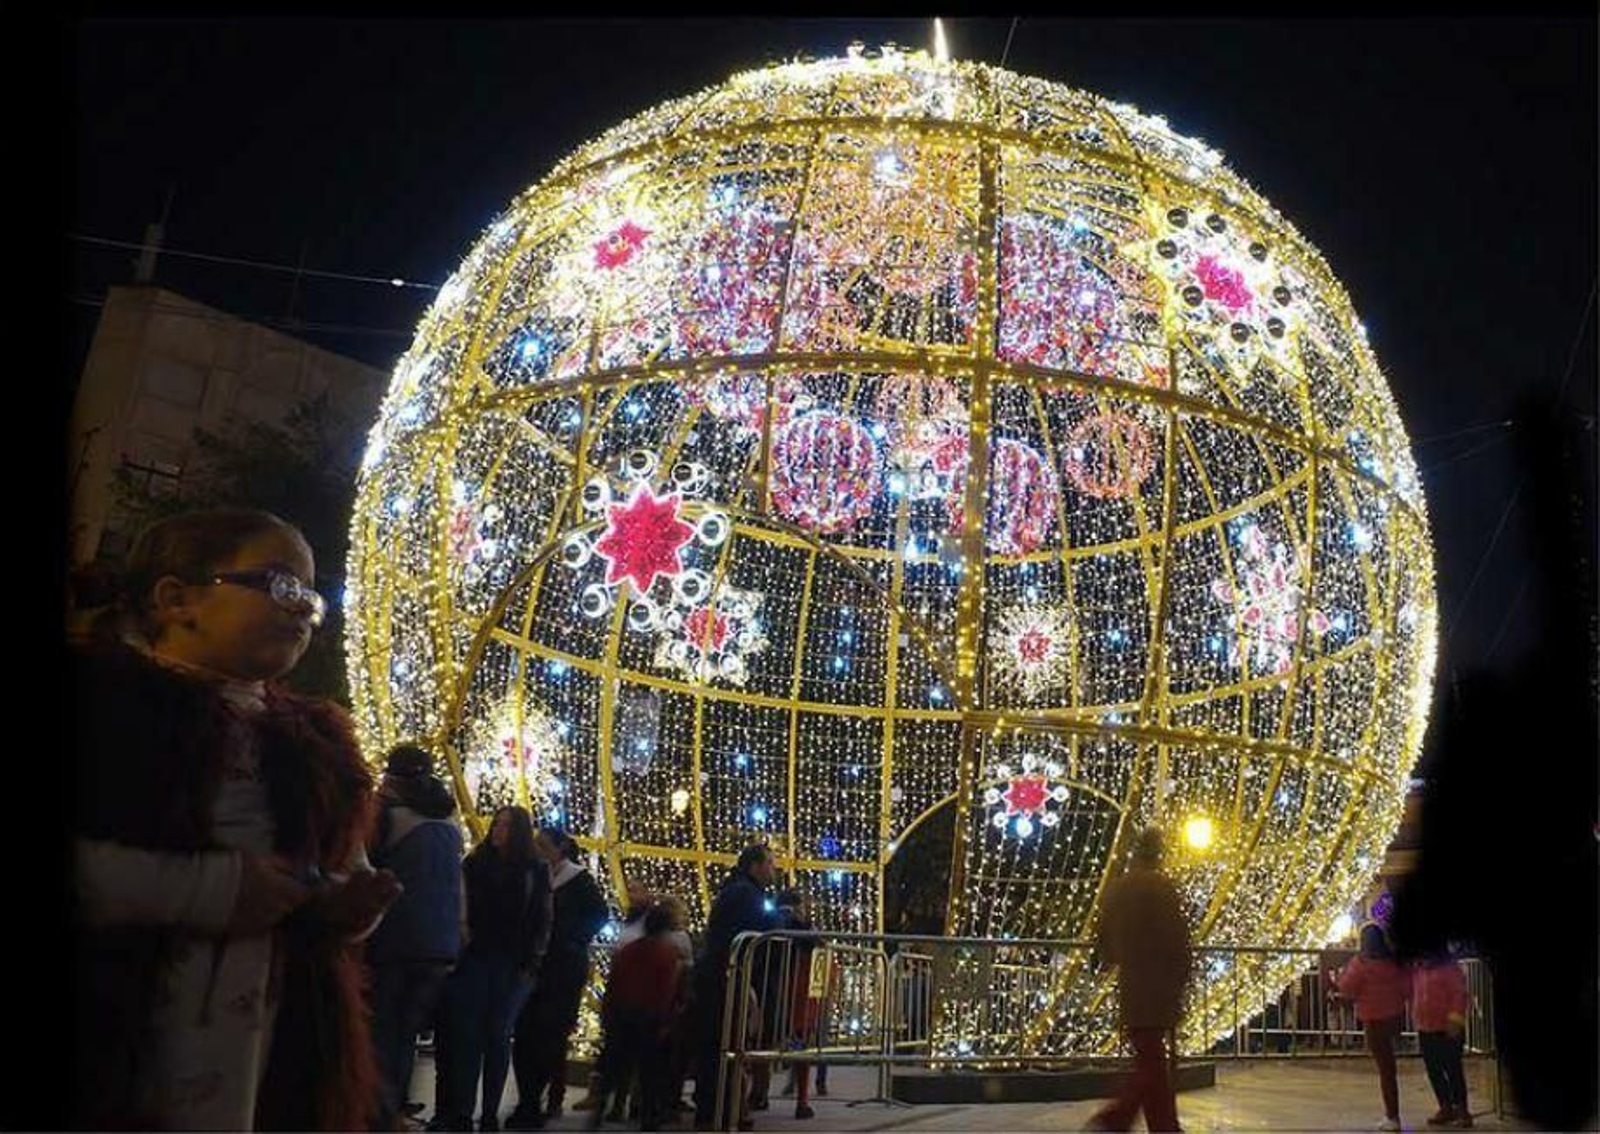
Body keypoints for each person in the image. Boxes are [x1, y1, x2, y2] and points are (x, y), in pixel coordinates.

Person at [70, 507, 402, 1130]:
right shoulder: (101, 708)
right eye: (279, 584)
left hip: (272, 1057)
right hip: (117, 1037)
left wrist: (351, 908)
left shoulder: (321, 752)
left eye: (312, 595)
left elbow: (339, 868)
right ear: (176, 600)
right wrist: (211, 890)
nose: (303, 608)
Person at [430, 806, 551, 1133]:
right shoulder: (475, 863)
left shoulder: (534, 869)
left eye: (506, 826)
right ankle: (463, 1113)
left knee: (497, 1036)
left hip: (513, 962)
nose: (498, 830)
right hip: (476, 958)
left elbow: (541, 918)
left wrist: (532, 961)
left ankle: (488, 1113)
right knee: (469, 1039)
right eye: (497, 824)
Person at [367, 744, 466, 1130]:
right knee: (405, 1031)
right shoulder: (450, 823)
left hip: (394, 938)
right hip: (439, 944)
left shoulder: (389, 818)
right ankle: (393, 1108)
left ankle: (378, 1110)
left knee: (381, 1028)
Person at [1087, 827, 1192, 1134]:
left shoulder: (1119, 888)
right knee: (1151, 1065)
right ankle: (1115, 1120)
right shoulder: (1161, 887)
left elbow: (1104, 942)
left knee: (1152, 1062)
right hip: (1158, 989)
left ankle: (1162, 1127)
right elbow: (1178, 940)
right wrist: (1182, 975)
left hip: (1133, 987)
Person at [506, 829, 609, 1130]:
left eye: (543, 845)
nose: (538, 850)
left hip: (562, 970)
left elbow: (598, 915)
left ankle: (536, 1100)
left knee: (548, 1037)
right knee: (525, 1035)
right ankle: (528, 1099)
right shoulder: (535, 875)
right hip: (534, 966)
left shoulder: (578, 880)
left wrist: (569, 938)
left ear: (560, 849)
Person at [692, 844, 780, 1130]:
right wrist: (781, 919)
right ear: (755, 866)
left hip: (719, 973)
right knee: (725, 1044)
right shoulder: (745, 893)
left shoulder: (737, 889)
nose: (774, 868)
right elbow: (764, 926)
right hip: (723, 976)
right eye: (770, 863)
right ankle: (718, 1110)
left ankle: (716, 1108)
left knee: (719, 1044)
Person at [590, 904, 689, 1130]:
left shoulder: (627, 950)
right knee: (650, 1071)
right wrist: (666, 1020)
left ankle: (604, 1107)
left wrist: (608, 1013)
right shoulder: (667, 955)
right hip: (649, 1019)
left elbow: (614, 983)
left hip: (622, 1014)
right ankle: (649, 1116)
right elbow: (665, 990)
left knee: (615, 1066)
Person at [1338, 923, 1411, 1132]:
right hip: (1394, 1017)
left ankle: (1392, 1115)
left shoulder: (1361, 964)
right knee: (1389, 1066)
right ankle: (1393, 1113)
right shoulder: (1395, 964)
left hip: (1373, 1019)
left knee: (1385, 1069)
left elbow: (1347, 987)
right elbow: (1407, 988)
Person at [1414, 950, 1473, 1128]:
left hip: (1448, 1027)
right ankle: (1445, 1105)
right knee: (1434, 1069)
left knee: (1453, 1068)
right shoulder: (1418, 970)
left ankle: (1462, 1108)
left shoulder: (1449, 968)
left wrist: (1455, 1019)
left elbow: (1459, 994)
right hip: (1425, 1026)